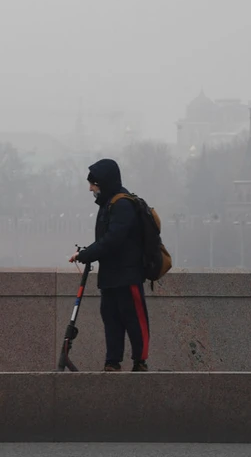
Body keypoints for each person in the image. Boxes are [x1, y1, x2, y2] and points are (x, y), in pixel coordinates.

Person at [69, 158, 150, 372]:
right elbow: (106, 240)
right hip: (111, 277)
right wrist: (86, 253)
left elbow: (113, 240)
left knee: (134, 319)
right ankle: (112, 362)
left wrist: (86, 255)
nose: (90, 189)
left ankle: (140, 361)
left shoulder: (122, 204)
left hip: (127, 275)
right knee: (112, 320)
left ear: (103, 182)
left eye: (93, 184)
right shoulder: (108, 204)